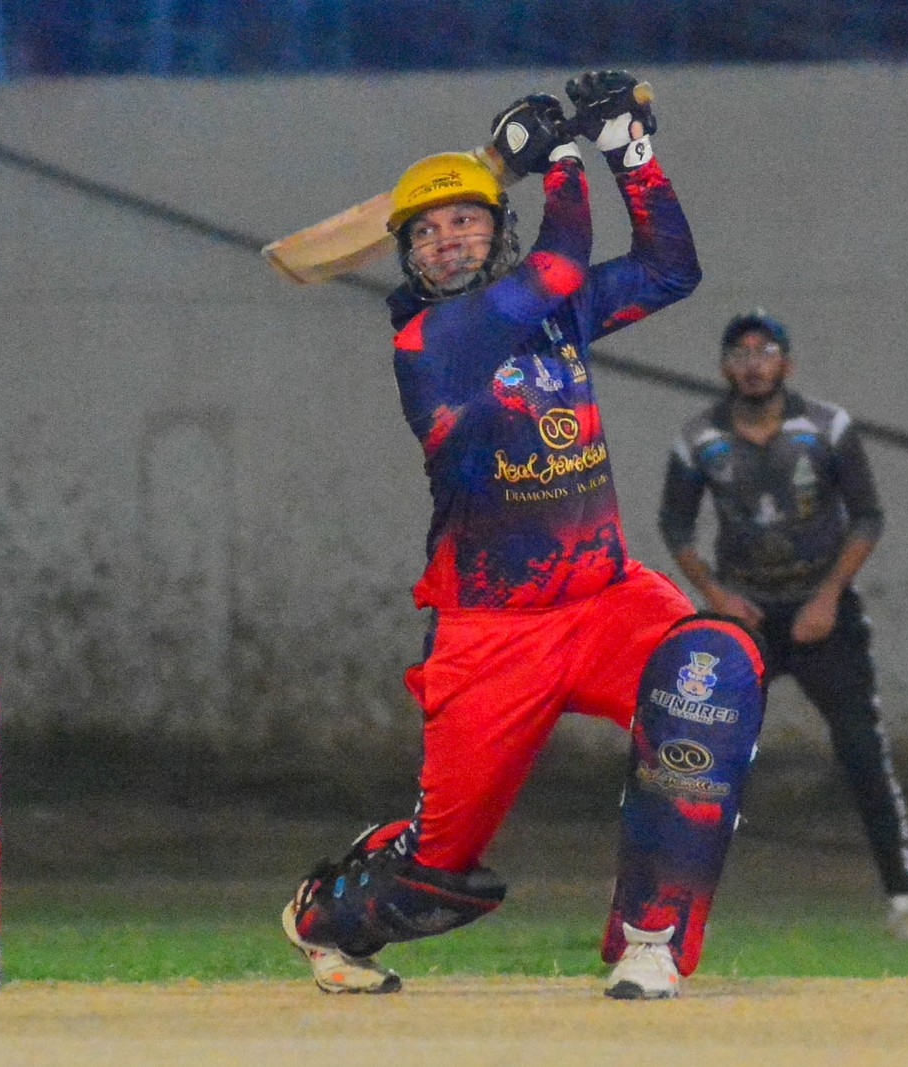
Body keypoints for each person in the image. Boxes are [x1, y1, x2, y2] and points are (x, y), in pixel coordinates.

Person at [281, 71, 767, 1000]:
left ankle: (651, 935)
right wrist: (563, 159)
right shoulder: (432, 343)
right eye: (426, 231)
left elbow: (671, 268)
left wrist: (629, 150)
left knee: (711, 675)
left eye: (465, 220)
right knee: (435, 876)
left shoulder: (557, 314)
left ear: (495, 228)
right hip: (491, 633)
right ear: (408, 258)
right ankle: (324, 916)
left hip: (605, 599)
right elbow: (561, 260)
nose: (447, 239)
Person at [658, 309, 908, 939]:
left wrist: (828, 596)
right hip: (745, 617)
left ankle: (905, 900)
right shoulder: (699, 438)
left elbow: (867, 517)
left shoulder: (826, 428)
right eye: (740, 354)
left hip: (820, 617)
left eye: (765, 352)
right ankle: (671, 901)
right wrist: (716, 596)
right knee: (699, 753)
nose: (753, 365)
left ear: (787, 363)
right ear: (724, 367)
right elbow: (675, 526)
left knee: (862, 751)